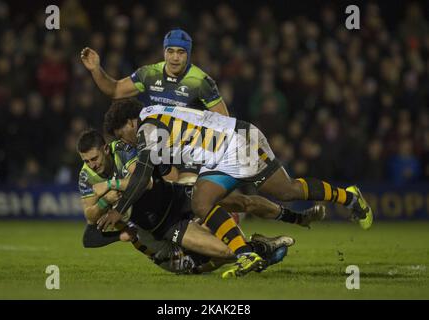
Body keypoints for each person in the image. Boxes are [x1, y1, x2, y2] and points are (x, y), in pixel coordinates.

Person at [101, 99, 373, 278]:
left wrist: (119, 210)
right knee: (202, 202)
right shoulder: (156, 114)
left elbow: (144, 174)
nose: (124, 141)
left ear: (129, 123)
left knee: (286, 191)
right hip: (219, 153)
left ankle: (349, 197)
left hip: (236, 143)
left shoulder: (147, 129)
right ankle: (246, 254)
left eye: (120, 134)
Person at [77, 129, 323, 276]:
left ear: (105, 150)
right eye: (87, 161)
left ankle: (297, 218)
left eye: (94, 159)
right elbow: (90, 216)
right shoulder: (86, 175)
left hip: (175, 197)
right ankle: (261, 247)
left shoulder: (123, 150)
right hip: (166, 226)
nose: (92, 165)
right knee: (226, 250)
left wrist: (108, 187)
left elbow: (142, 182)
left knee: (240, 201)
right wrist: (104, 202)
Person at [81, 29, 228, 182]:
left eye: (181, 52)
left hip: (189, 152)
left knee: (190, 196)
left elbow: (224, 121)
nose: (175, 57)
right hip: (158, 150)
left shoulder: (201, 81)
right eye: (170, 51)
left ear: (188, 54)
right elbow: (115, 90)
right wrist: (95, 70)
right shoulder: (149, 74)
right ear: (164, 52)